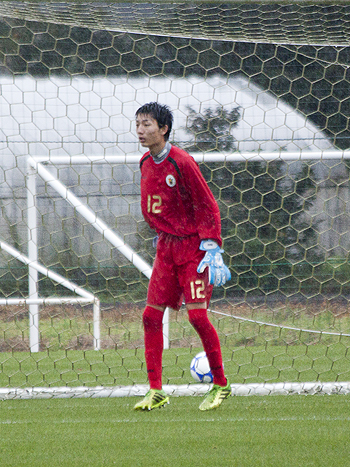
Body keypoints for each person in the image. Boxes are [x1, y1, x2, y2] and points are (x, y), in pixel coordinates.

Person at [132, 102, 232, 411]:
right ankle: (156, 390)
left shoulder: (182, 162)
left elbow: (207, 203)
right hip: (166, 247)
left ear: (163, 129)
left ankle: (221, 384)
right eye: (137, 124)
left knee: (197, 316)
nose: (140, 130)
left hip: (193, 248)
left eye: (147, 124)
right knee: (150, 316)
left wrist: (212, 246)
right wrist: (159, 231)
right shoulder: (145, 163)